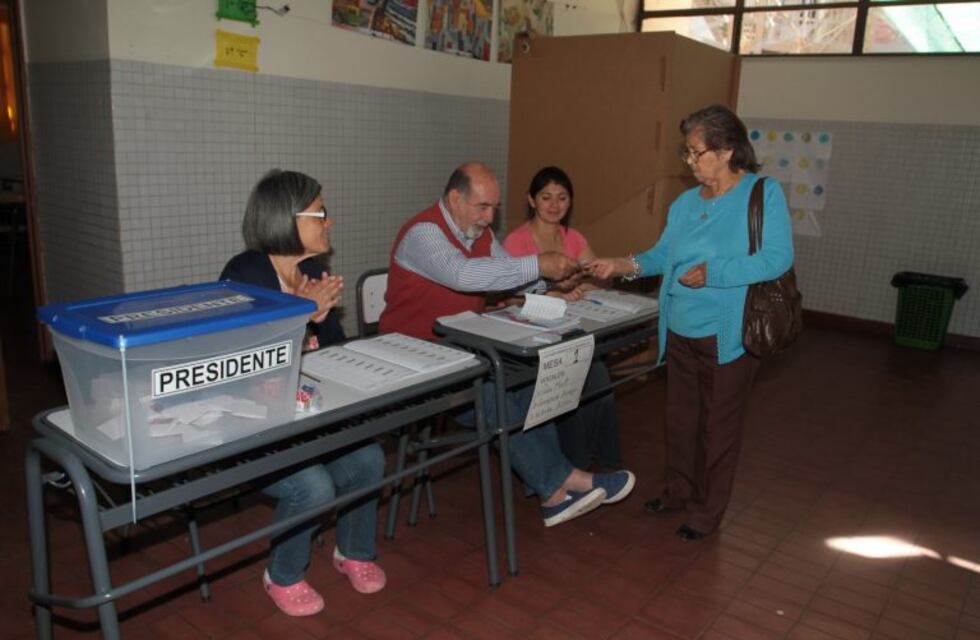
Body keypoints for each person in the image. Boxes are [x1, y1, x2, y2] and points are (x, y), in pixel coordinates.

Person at [378, 162, 635, 527]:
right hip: (412, 353)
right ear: (454, 198)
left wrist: (549, 284)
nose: (489, 217)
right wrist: (538, 266)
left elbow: (506, 273)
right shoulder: (423, 233)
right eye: (483, 207)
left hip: (459, 347)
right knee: (494, 390)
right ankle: (558, 486)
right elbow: (464, 276)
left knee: (527, 380)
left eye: (494, 208)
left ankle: (558, 486)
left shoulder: (477, 232)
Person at [587, 105, 794, 541]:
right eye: (687, 153)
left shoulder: (762, 194)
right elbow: (661, 256)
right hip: (679, 329)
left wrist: (713, 273)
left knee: (718, 426)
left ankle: (707, 511)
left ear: (726, 150)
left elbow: (777, 259)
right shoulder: (684, 204)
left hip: (728, 334)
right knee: (680, 418)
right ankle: (678, 491)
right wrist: (620, 264)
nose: (689, 161)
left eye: (695, 153)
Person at [220, 169, 386, 616]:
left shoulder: (313, 270)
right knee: (312, 485)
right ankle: (284, 576)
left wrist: (317, 320)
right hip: (252, 423)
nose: (328, 222)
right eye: (320, 212)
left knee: (368, 458)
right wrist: (302, 315)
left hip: (307, 415)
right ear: (286, 218)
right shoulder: (244, 276)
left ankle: (353, 552)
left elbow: (329, 355)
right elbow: (243, 367)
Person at [503, 166, 623, 471]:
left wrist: (582, 282)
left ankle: (605, 462)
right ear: (531, 200)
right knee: (578, 385)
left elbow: (599, 280)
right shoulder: (517, 242)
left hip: (573, 329)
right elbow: (506, 299)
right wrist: (551, 294)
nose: (554, 205)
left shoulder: (573, 237)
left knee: (601, 387)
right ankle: (576, 465)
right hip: (532, 336)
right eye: (546, 197)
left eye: (562, 198)